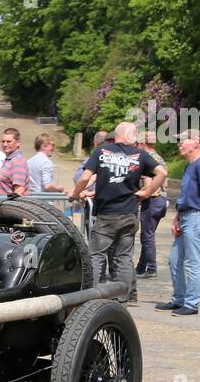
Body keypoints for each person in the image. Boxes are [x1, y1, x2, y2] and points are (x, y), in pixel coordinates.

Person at [68, 121, 166, 305]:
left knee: (96, 255)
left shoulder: (102, 151)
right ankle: (124, 298)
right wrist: (147, 192)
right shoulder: (141, 155)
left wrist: (74, 194)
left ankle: (92, 297)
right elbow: (162, 172)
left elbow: (85, 177)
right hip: (129, 213)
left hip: (107, 214)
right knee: (124, 257)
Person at [156, 130, 200, 316]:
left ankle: (191, 303)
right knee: (174, 260)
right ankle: (179, 299)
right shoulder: (189, 166)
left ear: (197, 143)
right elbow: (186, 195)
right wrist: (177, 217)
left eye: (183, 141)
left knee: (191, 262)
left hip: (196, 217)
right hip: (187, 216)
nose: (179, 144)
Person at [135, 132, 168, 278]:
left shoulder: (148, 160)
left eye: (137, 143)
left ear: (142, 144)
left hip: (152, 200)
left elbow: (148, 186)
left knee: (147, 236)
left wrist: (135, 195)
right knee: (148, 235)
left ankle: (151, 268)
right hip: (162, 201)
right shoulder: (160, 158)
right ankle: (141, 267)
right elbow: (164, 183)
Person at [0, 127, 29, 196]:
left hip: (8, 206)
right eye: (3, 141)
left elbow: (19, 192)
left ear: (18, 143)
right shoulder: (10, 160)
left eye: (9, 141)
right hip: (3, 205)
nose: (5, 144)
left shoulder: (17, 162)